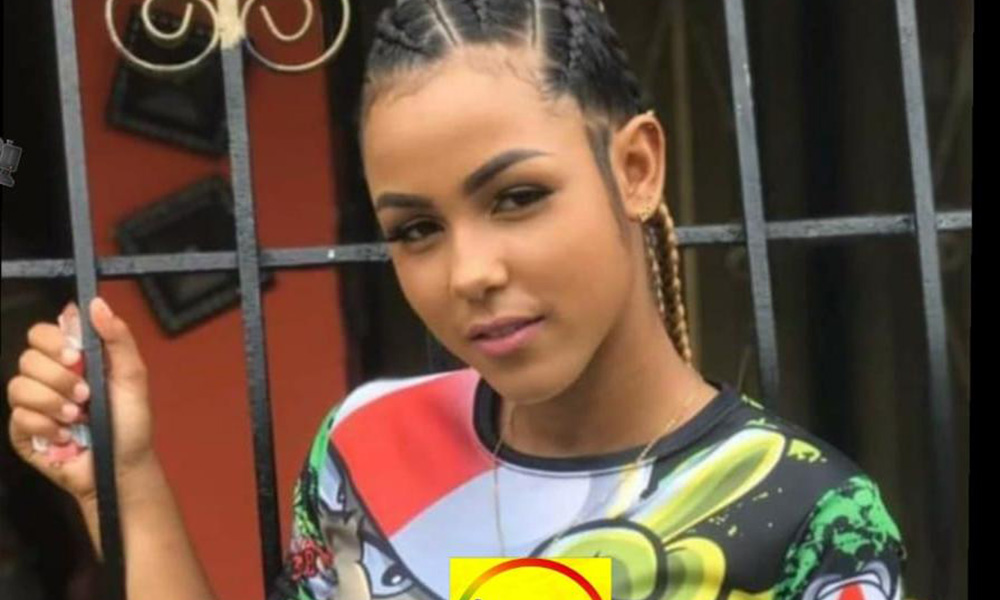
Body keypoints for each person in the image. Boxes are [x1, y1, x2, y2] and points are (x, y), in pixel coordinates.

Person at [5, 1, 907, 599]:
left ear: (635, 168)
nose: (468, 271)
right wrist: (125, 479)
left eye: (517, 198)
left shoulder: (809, 519)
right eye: (416, 229)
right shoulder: (364, 451)